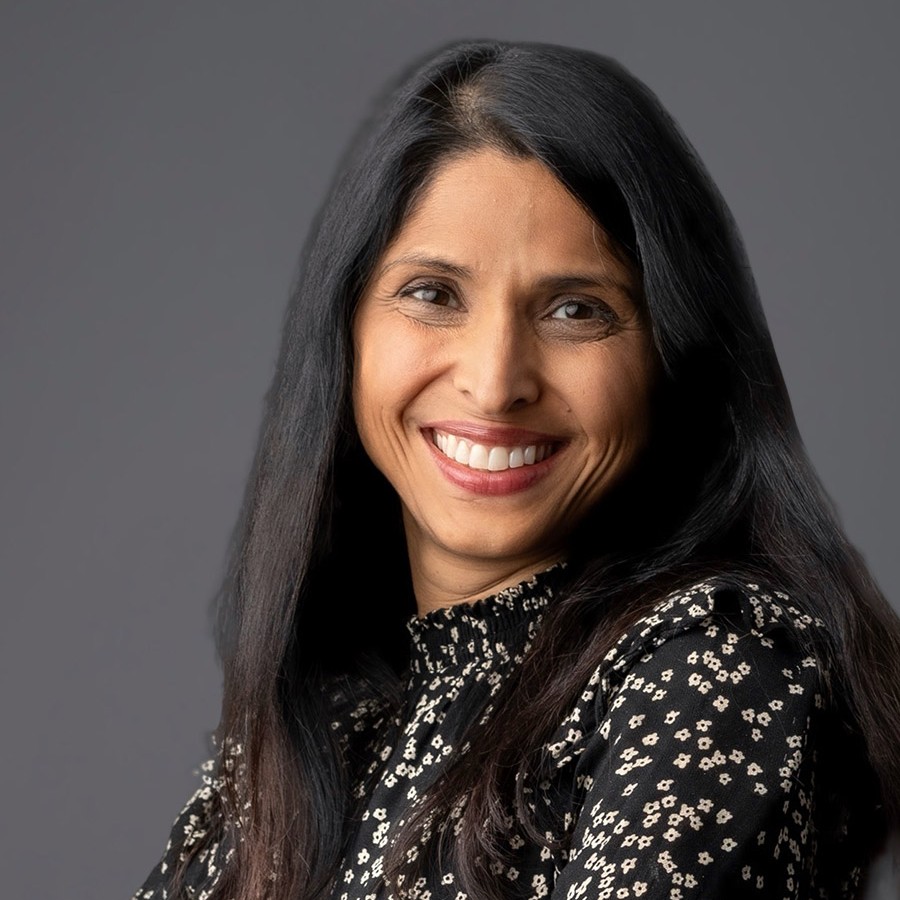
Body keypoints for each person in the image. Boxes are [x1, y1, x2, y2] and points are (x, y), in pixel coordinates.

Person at [133, 39, 900, 900]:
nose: (496, 383)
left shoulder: (712, 668)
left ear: (675, 356)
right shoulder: (327, 722)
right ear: (345, 330)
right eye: (433, 294)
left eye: (576, 310)